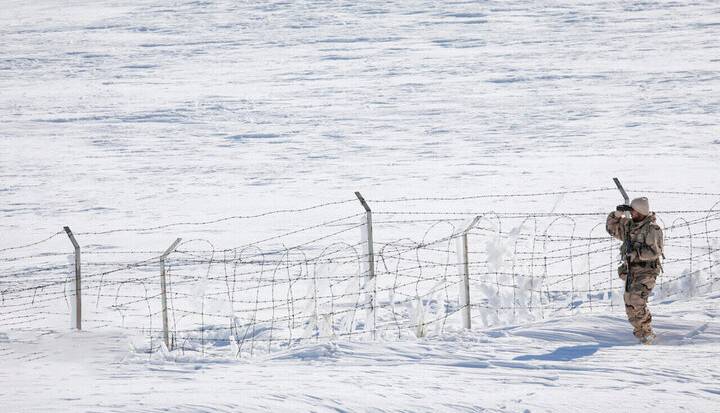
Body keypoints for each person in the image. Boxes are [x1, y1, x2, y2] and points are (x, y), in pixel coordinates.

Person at [606, 197, 664, 344]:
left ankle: (647, 333)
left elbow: (655, 251)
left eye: (635, 211)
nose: (632, 214)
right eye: (631, 211)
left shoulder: (652, 228)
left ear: (643, 211)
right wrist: (618, 214)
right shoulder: (630, 225)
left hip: (646, 272)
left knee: (636, 301)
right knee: (629, 303)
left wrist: (636, 254)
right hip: (631, 271)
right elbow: (611, 228)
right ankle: (642, 335)